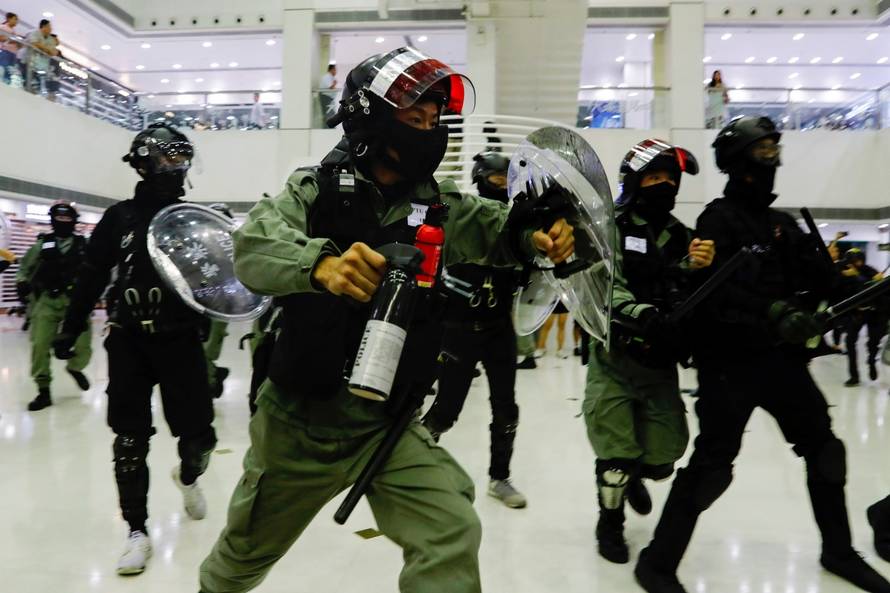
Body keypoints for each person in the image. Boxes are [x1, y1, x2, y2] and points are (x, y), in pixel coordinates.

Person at [197, 47, 574, 593]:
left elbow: (500, 230)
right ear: (370, 119)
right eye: (412, 119)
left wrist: (540, 235)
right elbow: (252, 247)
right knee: (239, 562)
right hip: (302, 428)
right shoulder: (314, 190)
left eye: (432, 120)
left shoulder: (440, 205)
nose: (428, 131)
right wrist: (320, 265)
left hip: (387, 424)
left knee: (452, 530)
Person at [634, 116, 890, 593]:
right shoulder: (717, 219)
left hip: (782, 363)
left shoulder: (783, 226)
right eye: (763, 150)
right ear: (739, 160)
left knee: (825, 450)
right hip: (729, 365)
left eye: (776, 149)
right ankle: (657, 562)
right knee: (713, 465)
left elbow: (827, 281)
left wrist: (871, 291)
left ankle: (838, 550)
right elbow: (715, 293)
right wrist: (774, 311)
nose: (772, 158)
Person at [54, 123, 217, 576]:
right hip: (128, 340)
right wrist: (69, 327)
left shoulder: (190, 219)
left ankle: (188, 476)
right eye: (169, 158)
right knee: (128, 440)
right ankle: (137, 531)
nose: (178, 167)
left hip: (180, 339)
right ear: (145, 164)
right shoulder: (118, 218)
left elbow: (211, 279)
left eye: (182, 158)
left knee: (200, 437)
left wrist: (209, 317)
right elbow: (90, 276)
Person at [585, 139, 713, 565]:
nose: (663, 185)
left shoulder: (682, 235)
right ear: (636, 182)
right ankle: (610, 522)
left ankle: (638, 473)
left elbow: (679, 286)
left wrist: (696, 269)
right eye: (654, 177)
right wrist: (642, 315)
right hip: (615, 357)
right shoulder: (613, 227)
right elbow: (608, 284)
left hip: (661, 362)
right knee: (615, 458)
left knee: (663, 458)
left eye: (669, 179)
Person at [421, 151, 528, 509]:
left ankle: (500, 477)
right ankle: (410, 467)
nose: (501, 186)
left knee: (506, 408)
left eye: (505, 181)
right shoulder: (461, 218)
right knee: (446, 409)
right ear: (482, 177)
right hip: (458, 328)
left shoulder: (515, 227)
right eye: (496, 180)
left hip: (499, 328)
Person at [15, 202, 92, 411]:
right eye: (59, 218)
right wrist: (21, 282)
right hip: (48, 301)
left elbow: (97, 272)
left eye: (67, 218)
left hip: (76, 303)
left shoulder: (85, 245)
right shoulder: (42, 245)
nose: (63, 222)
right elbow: (24, 268)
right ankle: (43, 390)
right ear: (52, 220)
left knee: (83, 346)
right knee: (40, 346)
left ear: (74, 221)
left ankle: (75, 368)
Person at [841, 248, 887, 386]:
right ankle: (854, 376)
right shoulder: (844, 274)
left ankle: (872, 361)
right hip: (857, 313)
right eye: (853, 261)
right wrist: (853, 277)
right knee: (850, 342)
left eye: (858, 260)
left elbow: (873, 287)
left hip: (874, 312)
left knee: (873, 342)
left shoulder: (869, 270)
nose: (857, 263)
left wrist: (879, 280)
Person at [204, 203, 234, 398]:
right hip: (201, 303)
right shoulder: (202, 244)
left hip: (221, 304)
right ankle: (212, 376)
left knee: (209, 348)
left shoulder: (232, 246)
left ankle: (211, 381)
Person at [25, 19, 58, 95]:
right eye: (49, 26)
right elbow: (34, 43)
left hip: (42, 67)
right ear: (44, 27)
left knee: (38, 87)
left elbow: (54, 52)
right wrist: (46, 49)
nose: (51, 29)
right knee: (28, 83)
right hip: (30, 63)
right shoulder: (34, 33)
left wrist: (42, 47)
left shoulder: (51, 39)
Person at [0, 12, 21, 85]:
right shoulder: (2, 27)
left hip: (14, 54)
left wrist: (19, 43)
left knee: (10, 73)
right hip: (5, 52)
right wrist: (11, 39)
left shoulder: (14, 32)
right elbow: (1, 38)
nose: (16, 21)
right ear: (9, 19)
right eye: (15, 19)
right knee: (4, 70)